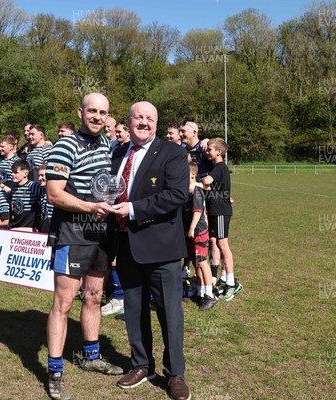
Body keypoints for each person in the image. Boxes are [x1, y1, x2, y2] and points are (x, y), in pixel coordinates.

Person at [111, 101, 191, 400]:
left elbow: (176, 196)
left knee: (170, 313)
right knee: (134, 310)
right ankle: (141, 364)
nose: (144, 122)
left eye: (150, 118)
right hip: (127, 247)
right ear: (128, 121)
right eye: (138, 117)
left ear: (156, 123)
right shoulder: (118, 153)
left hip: (162, 249)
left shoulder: (172, 153)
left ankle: (175, 374)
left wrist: (132, 209)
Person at [45, 93, 123, 400]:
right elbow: (54, 194)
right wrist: (90, 208)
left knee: (93, 296)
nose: (97, 116)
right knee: (63, 303)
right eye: (92, 111)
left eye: (103, 112)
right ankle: (54, 371)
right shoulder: (65, 146)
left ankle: (91, 357)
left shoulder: (107, 144)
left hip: (101, 234)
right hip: (73, 233)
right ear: (81, 112)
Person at [201, 138, 242, 301]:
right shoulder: (217, 168)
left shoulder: (219, 168)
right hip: (216, 210)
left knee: (223, 245)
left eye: (210, 149)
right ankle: (225, 279)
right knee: (218, 243)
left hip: (220, 211)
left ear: (219, 152)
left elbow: (207, 181)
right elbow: (211, 187)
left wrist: (200, 182)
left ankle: (232, 283)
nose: (207, 151)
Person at [186, 162, 217, 311]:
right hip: (190, 232)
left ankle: (210, 295)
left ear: (192, 175)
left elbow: (197, 211)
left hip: (199, 231)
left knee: (202, 262)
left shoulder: (196, 190)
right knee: (195, 262)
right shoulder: (187, 189)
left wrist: (192, 227)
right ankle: (200, 291)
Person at [8, 160, 42, 231]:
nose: (12, 175)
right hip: (15, 226)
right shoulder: (14, 187)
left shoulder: (33, 186)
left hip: (28, 229)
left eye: (16, 172)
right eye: (12, 172)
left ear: (25, 173)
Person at [36, 164, 53, 233]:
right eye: (39, 175)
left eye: (42, 175)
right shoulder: (42, 191)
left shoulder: (55, 193)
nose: (39, 178)